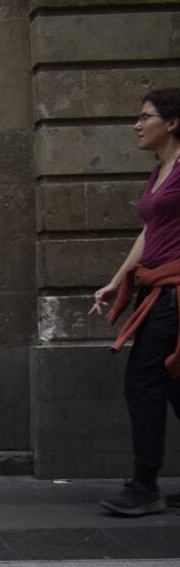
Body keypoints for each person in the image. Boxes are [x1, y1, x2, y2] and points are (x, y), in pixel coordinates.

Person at [91, 88, 180, 516]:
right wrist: (116, 281)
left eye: (145, 117)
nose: (137, 125)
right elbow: (150, 234)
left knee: (142, 381)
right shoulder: (159, 172)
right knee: (174, 385)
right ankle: (146, 482)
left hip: (174, 293)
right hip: (156, 290)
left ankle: (145, 485)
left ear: (173, 122)